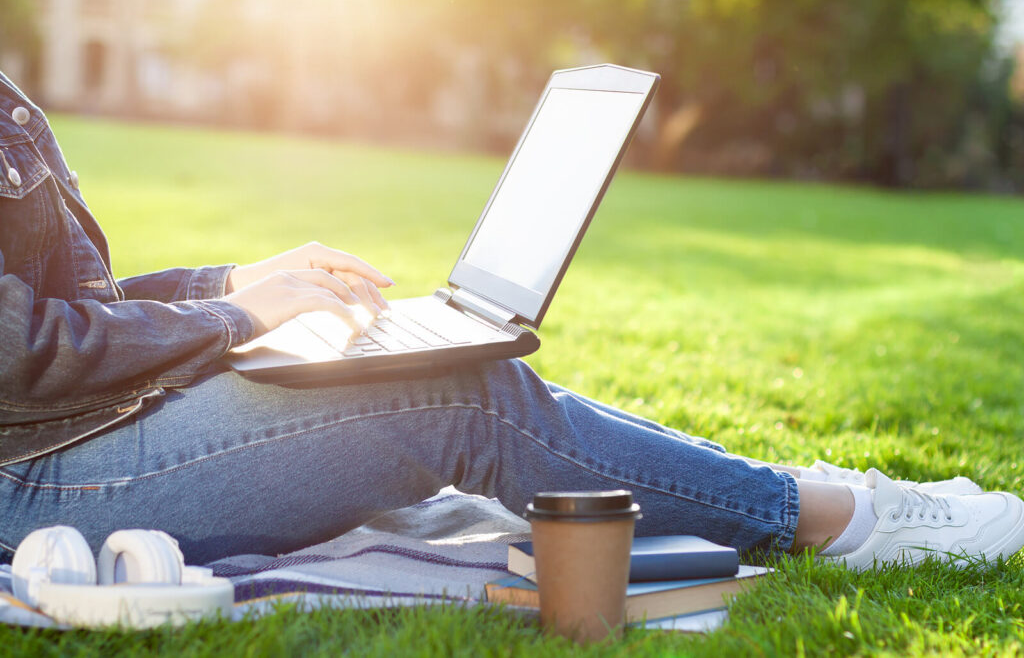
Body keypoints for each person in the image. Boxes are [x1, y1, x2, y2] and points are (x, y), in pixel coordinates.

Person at [1, 70, 1022, 573]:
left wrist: (232, 278)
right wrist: (231, 317)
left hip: (85, 428)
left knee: (463, 362)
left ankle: (803, 493)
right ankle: (834, 522)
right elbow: (21, 350)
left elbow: (65, 306)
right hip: (41, 475)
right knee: (459, 393)